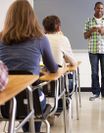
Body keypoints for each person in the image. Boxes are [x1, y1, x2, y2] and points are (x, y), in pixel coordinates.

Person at [0, 0, 58, 132]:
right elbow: (53, 68)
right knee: (33, 104)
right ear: (32, 17)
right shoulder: (41, 39)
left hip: (5, 102)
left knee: (23, 104)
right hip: (33, 100)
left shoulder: (1, 38)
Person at [42, 15, 77, 125]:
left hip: (40, 82)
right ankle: (59, 108)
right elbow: (73, 63)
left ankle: (51, 109)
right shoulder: (63, 39)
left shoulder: (39, 39)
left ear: (44, 28)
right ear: (58, 28)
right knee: (71, 78)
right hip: (58, 84)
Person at [84, 2, 104, 101]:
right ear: (94, 9)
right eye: (98, 8)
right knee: (94, 73)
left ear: (103, 9)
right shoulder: (88, 20)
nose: (100, 10)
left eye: (101, 8)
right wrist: (91, 31)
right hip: (93, 51)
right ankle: (96, 93)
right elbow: (85, 36)